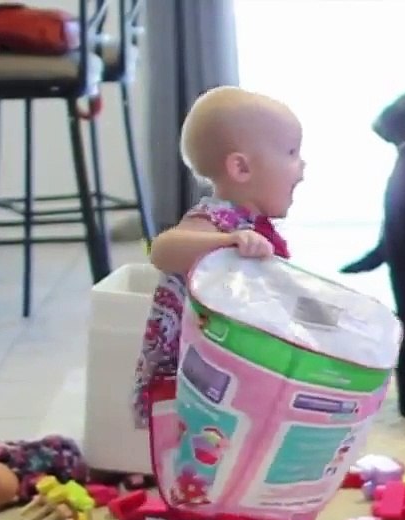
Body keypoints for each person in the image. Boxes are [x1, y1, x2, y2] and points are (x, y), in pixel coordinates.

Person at [131, 86, 306, 428]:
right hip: (190, 376)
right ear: (241, 168)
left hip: (229, 364)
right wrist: (225, 241)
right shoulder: (216, 219)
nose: (302, 166)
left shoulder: (258, 227)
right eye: (291, 152)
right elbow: (163, 249)